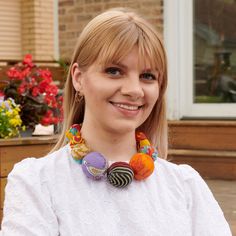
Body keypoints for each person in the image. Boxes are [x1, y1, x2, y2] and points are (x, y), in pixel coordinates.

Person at [0, 8, 232, 236]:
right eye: (114, 71)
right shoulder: (36, 183)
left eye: (148, 76)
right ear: (78, 78)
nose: (134, 90)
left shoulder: (185, 185)